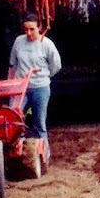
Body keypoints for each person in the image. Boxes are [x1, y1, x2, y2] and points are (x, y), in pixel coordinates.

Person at [8, 14, 62, 157]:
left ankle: (44, 156)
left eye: (32, 29)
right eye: (25, 29)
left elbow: (56, 65)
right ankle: (14, 153)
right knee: (14, 118)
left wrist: (45, 76)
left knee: (39, 123)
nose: (28, 33)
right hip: (20, 88)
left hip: (40, 88)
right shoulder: (19, 41)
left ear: (40, 27)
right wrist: (10, 85)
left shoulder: (47, 44)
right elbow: (12, 65)